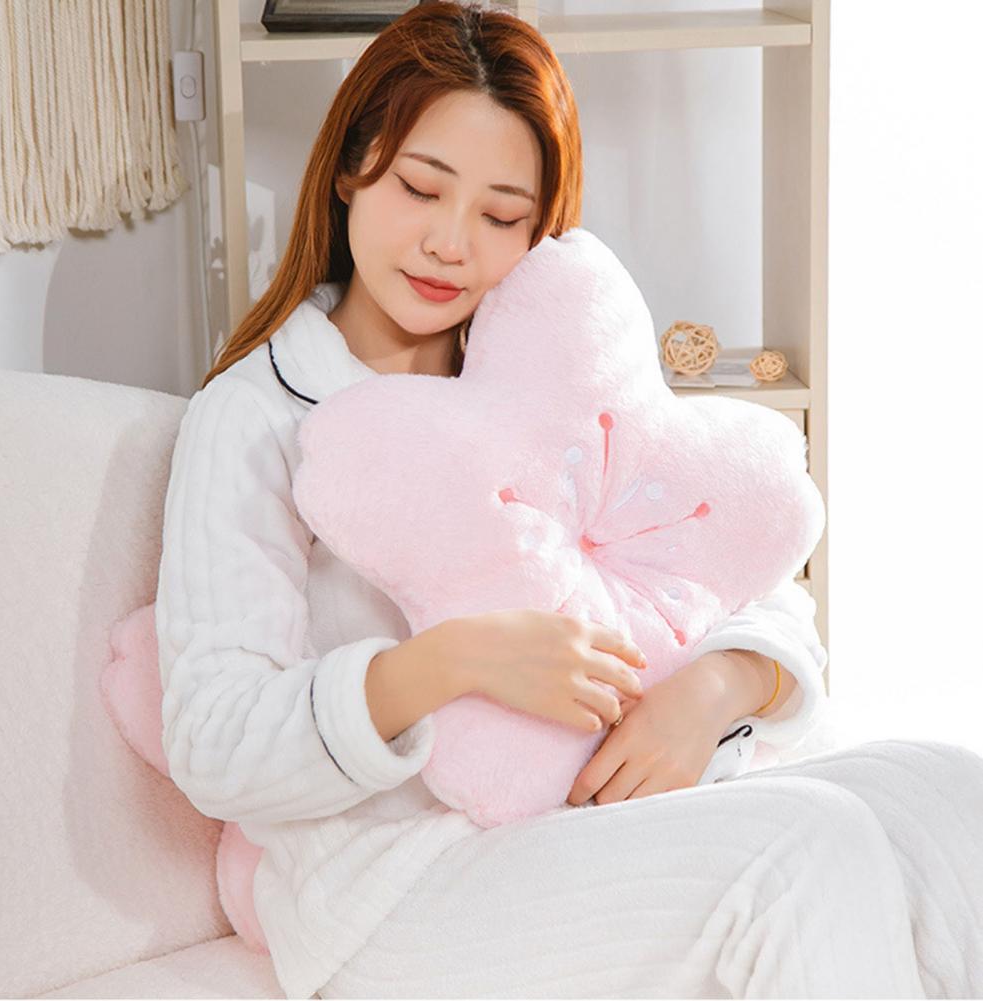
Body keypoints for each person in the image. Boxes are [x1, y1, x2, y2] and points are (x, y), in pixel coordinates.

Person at [155, 3, 983, 998]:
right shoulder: (252, 415)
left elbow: (726, 567)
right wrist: (451, 661)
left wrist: (713, 689)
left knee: (951, 799)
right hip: (398, 885)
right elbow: (214, 738)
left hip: (591, 814)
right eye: (420, 187)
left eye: (500, 215)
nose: (449, 243)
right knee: (806, 850)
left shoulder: (547, 366)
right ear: (349, 167)